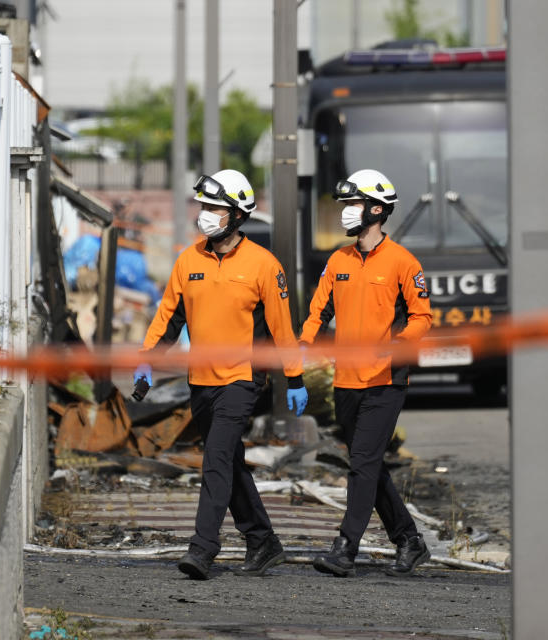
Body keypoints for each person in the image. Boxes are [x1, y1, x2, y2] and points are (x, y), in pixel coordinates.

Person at [136, 169, 308, 580]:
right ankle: (263, 541)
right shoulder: (188, 260)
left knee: (214, 459)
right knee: (229, 462)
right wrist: (145, 360)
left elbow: (284, 328)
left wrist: (296, 378)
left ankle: (203, 548)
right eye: (204, 206)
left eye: (215, 208)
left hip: (242, 379)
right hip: (201, 380)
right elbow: (168, 317)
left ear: (236, 215)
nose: (205, 214)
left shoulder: (264, 266)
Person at [299, 169, 432, 577]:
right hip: (346, 380)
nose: (346, 213)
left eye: (353, 205)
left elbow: (422, 316)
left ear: (376, 210)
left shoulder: (403, 263)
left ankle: (346, 547)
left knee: (361, 464)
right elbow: (318, 310)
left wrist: (397, 343)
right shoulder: (337, 261)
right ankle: (409, 540)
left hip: (385, 380)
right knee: (367, 464)